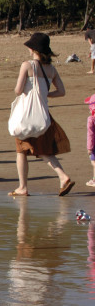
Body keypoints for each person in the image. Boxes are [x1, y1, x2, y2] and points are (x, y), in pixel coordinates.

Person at [10, 32, 73, 197]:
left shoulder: (27, 65)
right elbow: (62, 92)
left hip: (26, 116)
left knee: (21, 150)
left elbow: (18, 91)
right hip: (43, 116)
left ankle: (23, 187)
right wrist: (45, 95)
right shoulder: (51, 69)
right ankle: (63, 176)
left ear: (33, 49)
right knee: (44, 150)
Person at [86, 93, 95, 187]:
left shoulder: (91, 119)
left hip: (94, 145)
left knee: (93, 162)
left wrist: (89, 148)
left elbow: (90, 134)